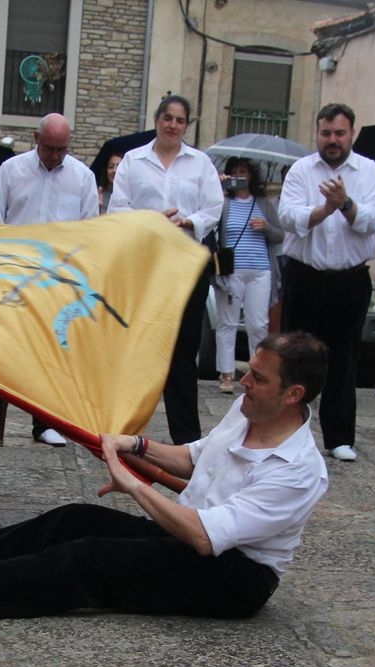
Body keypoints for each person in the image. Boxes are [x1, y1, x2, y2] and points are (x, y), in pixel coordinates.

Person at [0, 332, 329, 621]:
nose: (243, 382)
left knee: (89, 561)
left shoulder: (298, 471)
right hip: (188, 539)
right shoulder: (247, 411)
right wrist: (135, 445)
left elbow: (205, 538)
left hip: (233, 578)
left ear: (294, 394)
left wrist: (133, 484)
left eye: (258, 378)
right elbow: (195, 458)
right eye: (249, 372)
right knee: (76, 518)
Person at [0, 113, 98, 447]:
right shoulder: (12, 170)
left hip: (57, 276)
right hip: (15, 270)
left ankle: (46, 422)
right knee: (0, 347)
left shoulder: (82, 177)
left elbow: (90, 230)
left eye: (62, 149)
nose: (55, 155)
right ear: (36, 139)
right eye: (50, 148)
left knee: (50, 350)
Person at [277, 103, 375, 462]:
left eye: (339, 133)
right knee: (294, 359)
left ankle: (339, 437)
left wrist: (345, 204)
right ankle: (286, 434)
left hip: (349, 280)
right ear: (318, 133)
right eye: (326, 133)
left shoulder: (370, 172)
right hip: (304, 276)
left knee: (343, 359)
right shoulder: (301, 170)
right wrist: (323, 210)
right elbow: (287, 216)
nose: (332, 140)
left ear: (351, 133)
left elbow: (373, 220)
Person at [108, 95, 223, 444]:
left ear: (187, 125)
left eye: (180, 120)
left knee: (183, 350)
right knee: (139, 347)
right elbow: (117, 208)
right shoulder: (133, 160)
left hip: (186, 262)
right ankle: (124, 430)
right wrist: (151, 220)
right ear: (157, 119)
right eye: (168, 118)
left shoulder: (200, 163)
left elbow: (214, 208)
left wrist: (187, 221)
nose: (173, 125)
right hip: (145, 264)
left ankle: (185, 438)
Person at [213, 156, 284, 394]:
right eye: (234, 172)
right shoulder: (222, 202)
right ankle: (226, 374)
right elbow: (211, 227)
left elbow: (280, 235)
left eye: (242, 172)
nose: (238, 176)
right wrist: (218, 188)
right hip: (231, 270)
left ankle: (258, 373)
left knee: (258, 324)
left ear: (251, 175)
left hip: (260, 270)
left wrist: (266, 227)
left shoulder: (264, 203)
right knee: (227, 321)